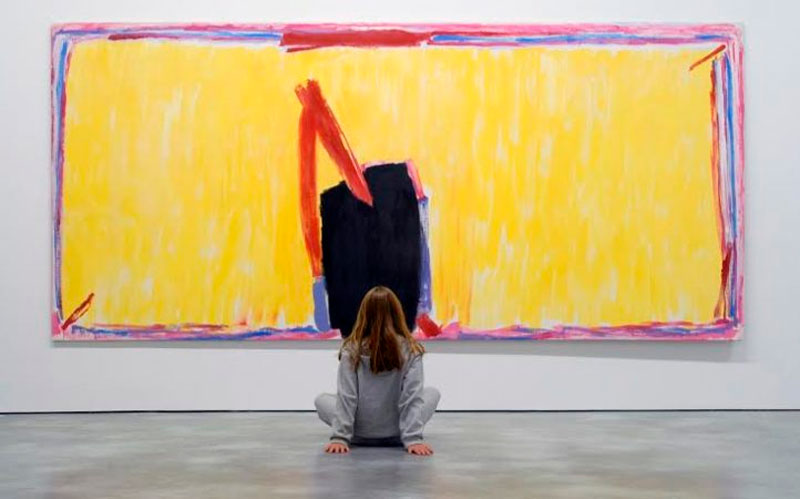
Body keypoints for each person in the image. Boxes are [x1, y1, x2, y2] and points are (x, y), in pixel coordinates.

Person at [314, 286, 440, 456]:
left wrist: (340, 437)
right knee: (432, 393)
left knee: (322, 400)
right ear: (397, 314)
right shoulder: (411, 350)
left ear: (364, 314)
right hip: (397, 433)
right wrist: (413, 439)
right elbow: (411, 397)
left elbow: (347, 396)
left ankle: (347, 430)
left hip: (359, 433)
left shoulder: (351, 350)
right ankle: (406, 430)